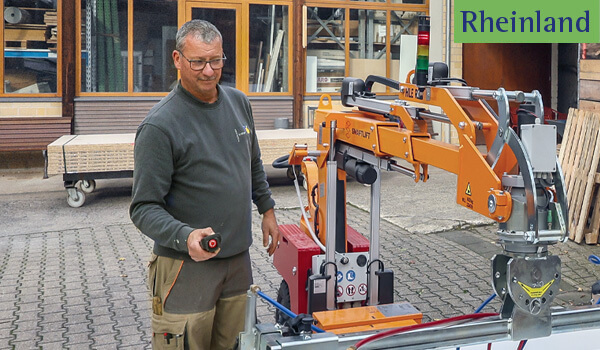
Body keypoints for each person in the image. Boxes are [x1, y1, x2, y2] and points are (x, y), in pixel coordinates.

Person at [129, 19, 280, 350]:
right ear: (177, 59)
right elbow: (143, 208)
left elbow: (251, 162)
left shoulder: (239, 102)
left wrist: (267, 208)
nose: (209, 71)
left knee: (238, 343)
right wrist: (185, 236)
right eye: (198, 62)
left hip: (237, 261)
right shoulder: (160, 126)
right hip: (186, 267)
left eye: (216, 60)